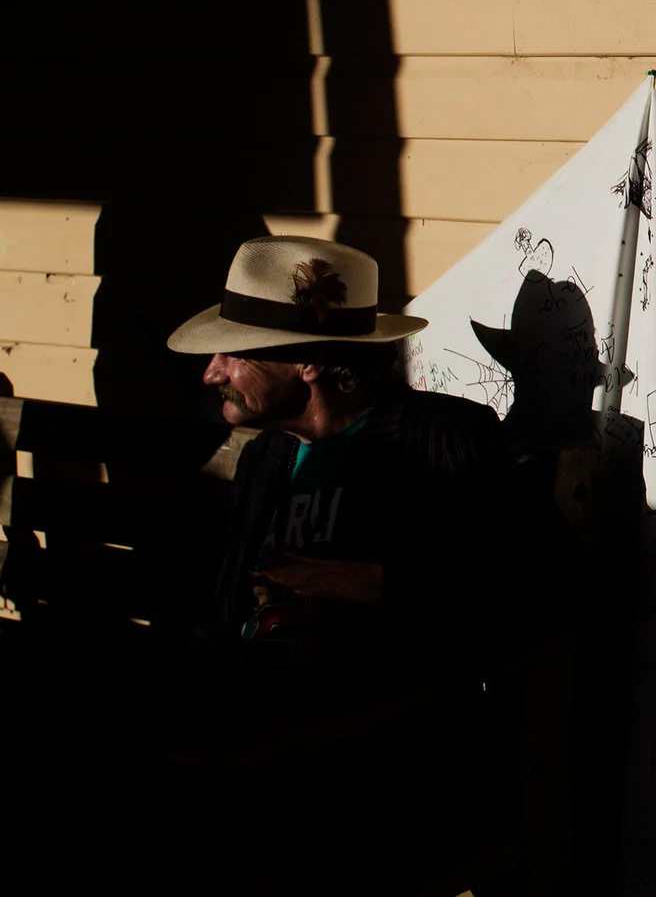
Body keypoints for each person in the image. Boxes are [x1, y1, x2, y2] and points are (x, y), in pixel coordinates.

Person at [169, 234, 516, 672]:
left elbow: (522, 584)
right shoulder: (266, 457)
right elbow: (225, 614)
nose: (210, 372)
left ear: (310, 362)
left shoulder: (441, 437)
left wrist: (369, 581)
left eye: (235, 353)